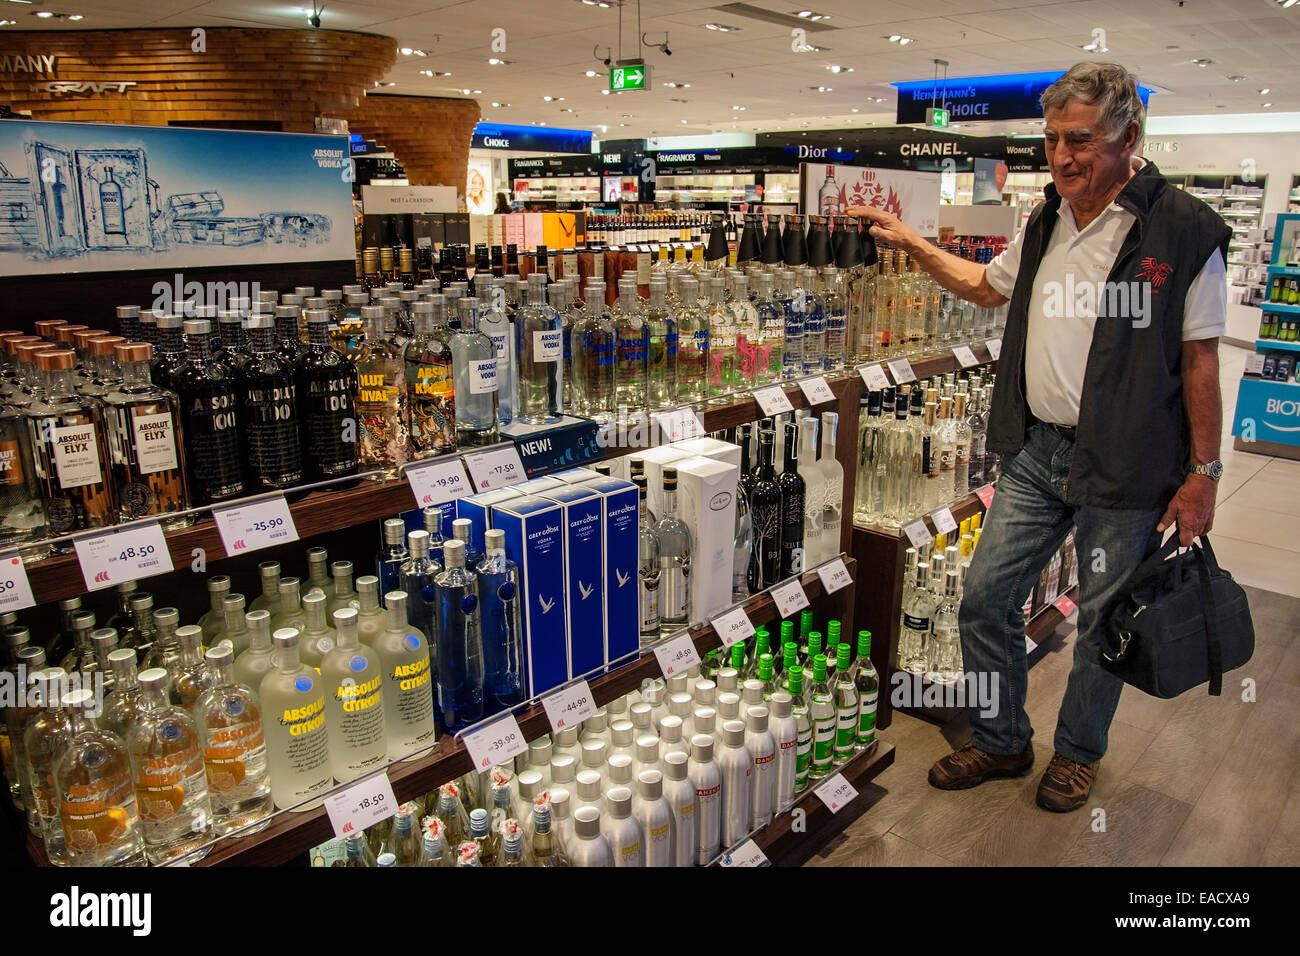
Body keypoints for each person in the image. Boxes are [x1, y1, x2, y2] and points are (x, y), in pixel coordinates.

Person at [850, 62, 1228, 812]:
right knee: (985, 598)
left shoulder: (1183, 231)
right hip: (1038, 450)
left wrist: (1205, 473)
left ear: (1131, 136)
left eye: (1080, 139)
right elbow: (985, 287)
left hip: (1128, 464)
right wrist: (915, 244)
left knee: (1101, 622)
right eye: (1052, 139)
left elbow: (1200, 359)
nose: (1061, 155)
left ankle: (1079, 752)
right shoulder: (1048, 219)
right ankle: (1001, 737)